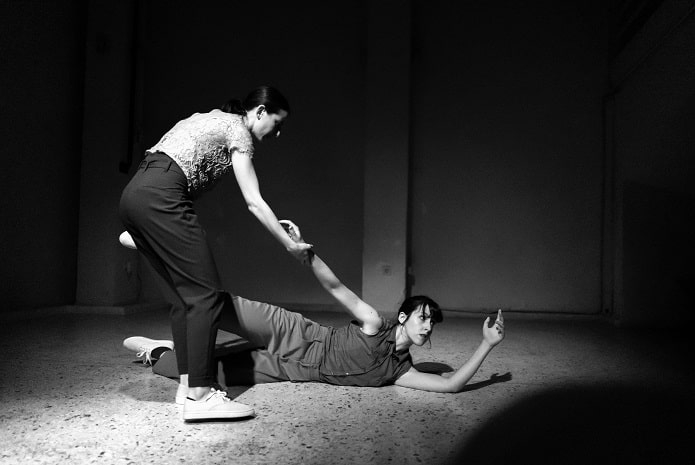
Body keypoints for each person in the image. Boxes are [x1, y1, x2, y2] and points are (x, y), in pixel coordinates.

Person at [120, 221, 505, 399]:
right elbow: (335, 287)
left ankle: (160, 350)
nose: (427, 326)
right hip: (293, 332)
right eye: (423, 317)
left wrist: (487, 343)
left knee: (192, 371)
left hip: (290, 370)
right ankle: (156, 252)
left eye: (432, 324)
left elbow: (451, 386)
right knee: (214, 305)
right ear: (404, 317)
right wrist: (306, 253)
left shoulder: (399, 372)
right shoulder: (375, 322)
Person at [118, 86, 313, 422]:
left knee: (184, 299)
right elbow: (254, 201)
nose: (278, 132)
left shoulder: (211, 118)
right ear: (260, 111)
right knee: (206, 295)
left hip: (135, 196)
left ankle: (187, 387)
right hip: (160, 198)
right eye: (277, 123)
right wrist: (290, 244)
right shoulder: (238, 130)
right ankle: (201, 395)